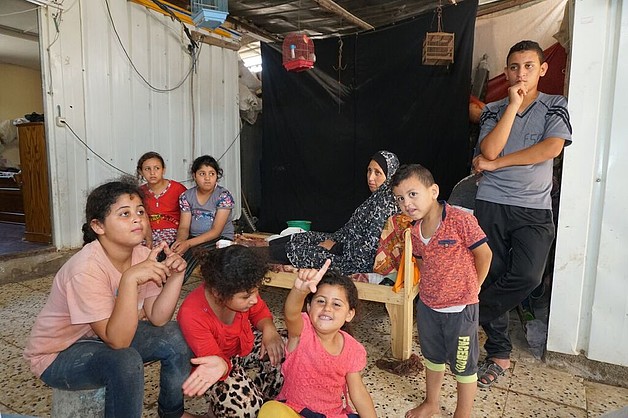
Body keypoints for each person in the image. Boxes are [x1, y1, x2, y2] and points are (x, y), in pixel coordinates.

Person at [23, 180, 199, 418]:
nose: (137, 219)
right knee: (124, 360)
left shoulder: (141, 254)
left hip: (102, 334)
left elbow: (158, 317)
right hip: (59, 353)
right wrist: (129, 280)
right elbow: (118, 342)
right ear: (98, 226)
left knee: (176, 335)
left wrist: (176, 276)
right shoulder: (85, 268)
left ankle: (172, 413)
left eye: (140, 212)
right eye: (124, 214)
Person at [472, 40, 572, 388]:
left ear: (542, 69)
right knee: (491, 272)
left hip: (534, 207)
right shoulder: (494, 109)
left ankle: (471, 316)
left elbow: (551, 148)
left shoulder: (555, 106)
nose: (521, 73)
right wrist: (512, 106)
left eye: (529, 66)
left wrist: (497, 164)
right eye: (514, 67)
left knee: (528, 276)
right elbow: (488, 148)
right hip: (491, 201)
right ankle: (499, 354)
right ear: (506, 70)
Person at [390, 164, 492, 418]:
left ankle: (463, 413)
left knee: (463, 365)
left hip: (460, 309)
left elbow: (484, 254)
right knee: (432, 357)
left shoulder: (460, 220)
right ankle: (432, 403)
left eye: (413, 194)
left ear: (433, 190)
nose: (407, 203)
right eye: (400, 199)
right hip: (429, 306)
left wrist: (474, 287)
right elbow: (422, 262)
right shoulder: (414, 231)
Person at [258, 259, 377, 418]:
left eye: (336, 304)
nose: (327, 308)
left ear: (349, 314)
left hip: (332, 415)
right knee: (271, 410)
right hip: (294, 412)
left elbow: (359, 393)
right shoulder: (301, 332)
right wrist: (299, 290)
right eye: (320, 301)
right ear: (309, 307)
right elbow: (291, 313)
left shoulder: (352, 349)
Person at [177, 245, 284, 418]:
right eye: (246, 297)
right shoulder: (192, 314)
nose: (254, 300)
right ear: (219, 294)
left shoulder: (240, 286)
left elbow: (260, 313)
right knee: (246, 406)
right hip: (212, 368)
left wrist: (270, 330)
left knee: (286, 349)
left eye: (256, 292)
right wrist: (227, 367)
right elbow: (215, 361)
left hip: (239, 349)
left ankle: (263, 401)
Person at [269, 150, 400, 275]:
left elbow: (368, 250)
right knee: (307, 237)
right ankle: (263, 246)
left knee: (300, 251)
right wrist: (333, 242)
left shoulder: (385, 205)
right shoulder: (378, 198)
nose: (371, 178)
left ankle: (255, 254)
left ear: (390, 176)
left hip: (355, 262)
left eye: (378, 173)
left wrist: (335, 247)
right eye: (369, 171)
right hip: (345, 245)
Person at [172, 155, 235, 280]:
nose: (207, 178)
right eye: (202, 174)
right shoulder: (186, 196)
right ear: (194, 176)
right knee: (170, 251)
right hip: (194, 238)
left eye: (212, 174)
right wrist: (180, 242)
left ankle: (174, 285)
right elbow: (184, 226)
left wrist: (188, 244)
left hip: (219, 238)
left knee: (193, 254)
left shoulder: (223, 196)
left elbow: (216, 231)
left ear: (217, 176)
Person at [137, 151, 187, 247]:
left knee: (160, 249)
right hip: (147, 231)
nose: (152, 173)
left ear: (163, 170)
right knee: (137, 250)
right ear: (141, 172)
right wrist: (148, 239)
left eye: (157, 168)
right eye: (147, 169)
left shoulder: (178, 189)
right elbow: (142, 217)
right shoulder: (140, 192)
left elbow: (187, 216)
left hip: (171, 230)